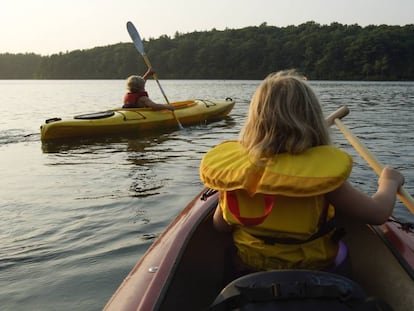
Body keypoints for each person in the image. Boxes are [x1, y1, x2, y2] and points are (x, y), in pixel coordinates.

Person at [200, 69, 404, 276]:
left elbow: (220, 226)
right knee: (344, 251)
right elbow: (378, 214)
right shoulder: (321, 176)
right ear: (313, 121)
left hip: (251, 270)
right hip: (316, 271)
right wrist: (389, 181)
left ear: (254, 122)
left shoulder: (239, 177)